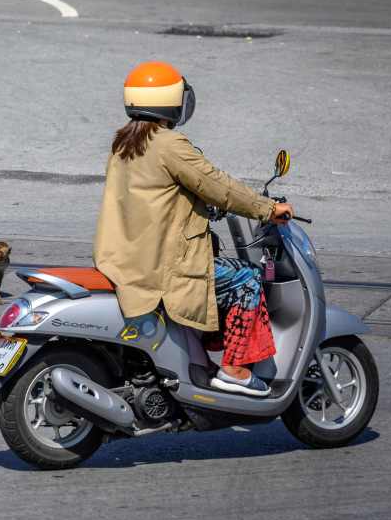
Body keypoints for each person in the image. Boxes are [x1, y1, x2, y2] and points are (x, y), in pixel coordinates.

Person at [93, 61, 293, 397]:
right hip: (162, 265)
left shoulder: (124, 143)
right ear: (172, 101)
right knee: (246, 278)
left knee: (218, 267)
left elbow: (156, 195)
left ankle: (196, 358)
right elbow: (217, 185)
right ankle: (234, 369)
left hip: (125, 257)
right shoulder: (169, 143)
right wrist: (269, 209)